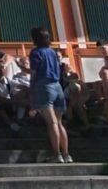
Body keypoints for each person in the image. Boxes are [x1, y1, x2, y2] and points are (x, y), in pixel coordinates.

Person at [29, 27, 71, 163]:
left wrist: (32, 88)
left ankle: (56, 154)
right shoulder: (53, 52)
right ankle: (66, 154)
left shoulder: (35, 52)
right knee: (59, 122)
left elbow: (35, 72)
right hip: (57, 85)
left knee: (51, 122)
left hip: (44, 86)